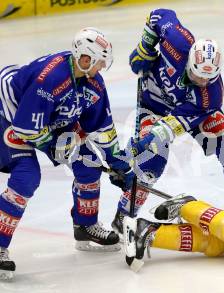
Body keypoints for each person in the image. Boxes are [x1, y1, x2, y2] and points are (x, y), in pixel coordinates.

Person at [0, 27, 133, 280]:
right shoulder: (49, 79)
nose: (102, 68)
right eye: (100, 62)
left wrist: (119, 164)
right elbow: (26, 127)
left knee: (89, 164)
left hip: (46, 119)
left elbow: (102, 129)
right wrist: (53, 145)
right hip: (8, 113)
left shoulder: (93, 82)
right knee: (26, 176)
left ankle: (85, 225)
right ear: (85, 59)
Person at [111, 8, 224, 234]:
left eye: (209, 78)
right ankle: (123, 216)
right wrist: (144, 48)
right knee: (150, 163)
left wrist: (141, 143)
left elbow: (168, 128)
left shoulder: (210, 95)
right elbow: (159, 14)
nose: (202, 81)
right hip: (153, 103)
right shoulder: (178, 41)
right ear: (189, 60)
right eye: (198, 75)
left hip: (191, 112)